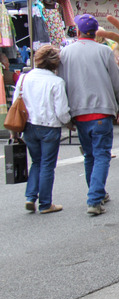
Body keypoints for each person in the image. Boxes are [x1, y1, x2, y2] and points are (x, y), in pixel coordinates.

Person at [58, 14, 119, 216]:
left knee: (90, 155)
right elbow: (117, 82)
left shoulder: (65, 53)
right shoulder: (105, 51)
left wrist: (66, 116)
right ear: (95, 32)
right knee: (102, 155)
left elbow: (61, 84)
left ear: (78, 31)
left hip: (79, 112)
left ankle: (97, 192)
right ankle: (95, 198)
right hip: (102, 111)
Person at [16, 45, 70, 214]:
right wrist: (68, 122)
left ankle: (30, 196)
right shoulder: (56, 82)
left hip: (29, 125)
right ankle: (45, 203)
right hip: (49, 126)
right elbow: (61, 111)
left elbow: (16, 102)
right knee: (47, 164)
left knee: (36, 162)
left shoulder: (25, 78)